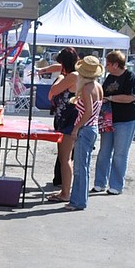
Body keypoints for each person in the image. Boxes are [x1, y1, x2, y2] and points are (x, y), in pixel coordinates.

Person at [92, 49, 135, 195]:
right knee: (104, 152)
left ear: (116, 64)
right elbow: (103, 94)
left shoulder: (129, 77)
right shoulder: (109, 77)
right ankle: (99, 183)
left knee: (120, 154)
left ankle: (116, 185)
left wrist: (111, 98)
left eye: (108, 63)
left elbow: (130, 97)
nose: (106, 66)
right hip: (108, 119)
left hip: (126, 120)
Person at [67, 55, 104, 210]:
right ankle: (78, 199)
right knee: (84, 167)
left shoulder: (87, 88)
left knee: (80, 168)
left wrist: (76, 128)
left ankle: (78, 201)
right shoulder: (98, 86)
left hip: (85, 128)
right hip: (92, 128)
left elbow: (87, 112)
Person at [45, 48, 81, 204]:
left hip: (69, 120)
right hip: (64, 120)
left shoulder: (72, 76)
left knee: (65, 158)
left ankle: (66, 192)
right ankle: (64, 190)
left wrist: (59, 77)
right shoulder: (73, 74)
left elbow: (52, 92)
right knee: (64, 157)